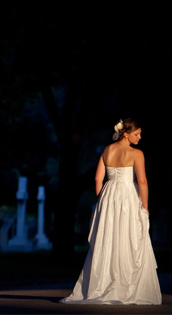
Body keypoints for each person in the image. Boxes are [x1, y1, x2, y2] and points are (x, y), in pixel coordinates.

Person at [60, 118, 161, 305]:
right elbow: (142, 182)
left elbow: (98, 180)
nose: (140, 137)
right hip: (127, 198)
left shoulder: (107, 150)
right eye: (137, 134)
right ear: (126, 133)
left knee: (108, 239)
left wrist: (102, 202)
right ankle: (125, 286)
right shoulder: (136, 153)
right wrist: (145, 206)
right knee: (127, 238)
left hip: (108, 197)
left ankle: (104, 283)